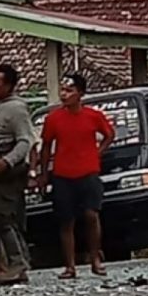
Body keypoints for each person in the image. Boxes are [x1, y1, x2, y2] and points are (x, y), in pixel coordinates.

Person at [38, 74, 115, 279]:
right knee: (66, 220)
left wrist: (97, 152)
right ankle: (70, 265)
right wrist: (43, 174)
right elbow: (46, 147)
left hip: (88, 172)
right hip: (63, 174)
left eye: (69, 91)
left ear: (80, 93)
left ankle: (95, 258)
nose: (64, 95)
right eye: (62, 90)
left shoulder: (93, 116)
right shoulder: (53, 118)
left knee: (91, 215)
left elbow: (109, 135)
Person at [0, 64, 34, 282]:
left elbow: (26, 140)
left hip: (10, 168)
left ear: (9, 86)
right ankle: (14, 263)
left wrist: (8, 160)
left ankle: (18, 263)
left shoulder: (16, 109)